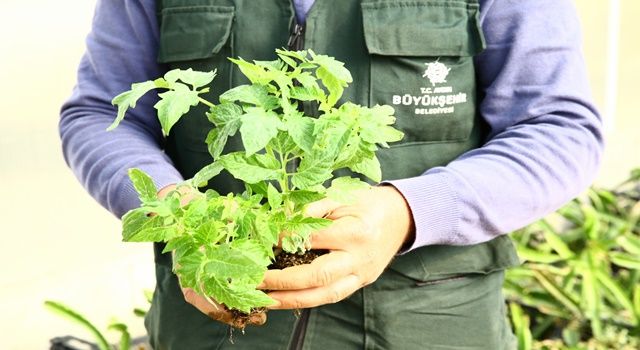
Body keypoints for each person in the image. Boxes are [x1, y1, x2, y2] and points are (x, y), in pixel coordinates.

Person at [60, 0, 603, 348]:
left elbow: (559, 127)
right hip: (213, 327)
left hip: (431, 324)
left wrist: (411, 211)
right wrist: (174, 210)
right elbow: (99, 116)